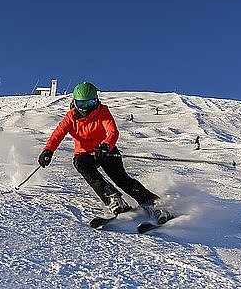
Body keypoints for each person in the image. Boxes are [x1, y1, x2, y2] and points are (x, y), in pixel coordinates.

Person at [38, 82, 173, 222]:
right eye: (81, 104)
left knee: (121, 179)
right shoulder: (71, 117)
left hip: (105, 151)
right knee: (80, 163)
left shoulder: (102, 112)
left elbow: (112, 131)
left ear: (96, 100)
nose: (85, 108)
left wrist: (106, 146)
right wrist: (48, 151)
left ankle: (153, 204)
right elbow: (57, 135)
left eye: (90, 103)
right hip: (84, 153)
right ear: (74, 102)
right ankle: (112, 198)